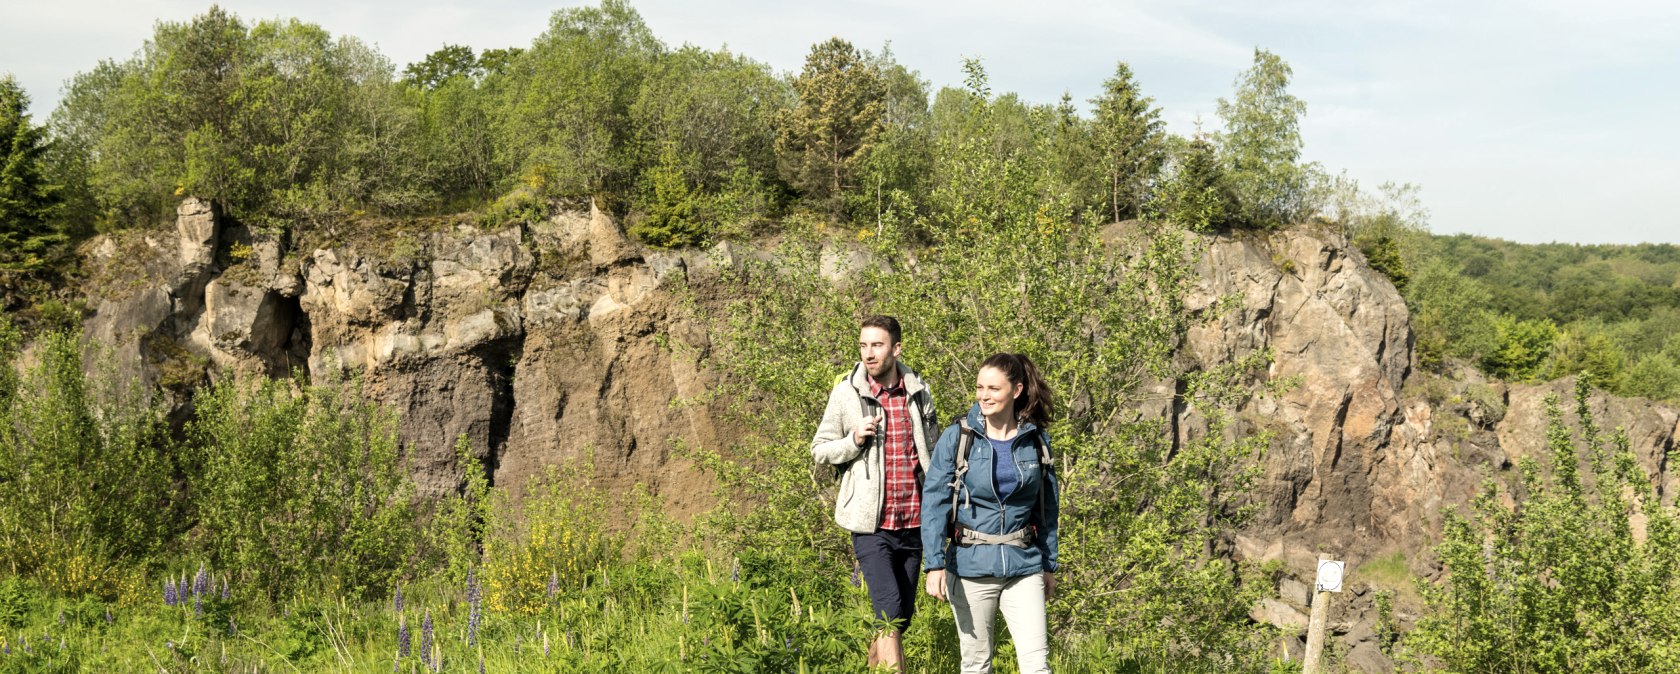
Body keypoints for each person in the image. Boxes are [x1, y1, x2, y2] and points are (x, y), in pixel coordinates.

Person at [811, 315, 940, 672]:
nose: (869, 353)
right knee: (887, 609)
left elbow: (935, 452)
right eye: (864, 345)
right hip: (871, 526)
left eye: (877, 345)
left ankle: (870, 666)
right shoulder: (846, 393)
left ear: (896, 349)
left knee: (900, 618)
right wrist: (853, 439)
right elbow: (820, 449)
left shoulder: (919, 393)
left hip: (914, 522)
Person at [922, 352, 1060, 674]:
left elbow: (1047, 509)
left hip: (1023, 565)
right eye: (980, 387)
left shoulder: (1036, 441)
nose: (984, 395)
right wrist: (934, 563)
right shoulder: (958, 437)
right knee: (976, 664)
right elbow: (934, 501)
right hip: (970, 565)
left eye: (994, 389)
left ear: (1016, 390)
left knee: (1037, 665)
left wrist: (1049, 564)